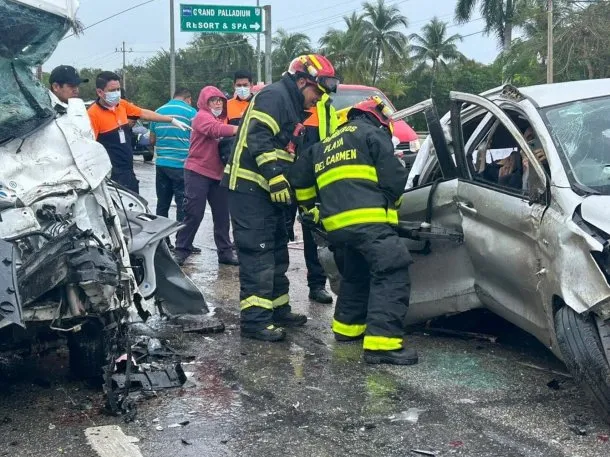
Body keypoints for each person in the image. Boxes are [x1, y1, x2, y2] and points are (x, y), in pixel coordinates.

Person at [288, 96, 418, 366]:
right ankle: (383, 345)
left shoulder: (325, 143)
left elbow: (299, 176)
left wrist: (311, 211)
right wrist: (391, 206)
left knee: (356, 273)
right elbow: (394, 177)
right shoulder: (372, 134)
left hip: (336, 227)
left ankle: (347, 329)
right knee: (391, 270)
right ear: (378, 118)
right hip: (368, 221)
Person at [222, 54, 339, 342]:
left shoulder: (292, 103)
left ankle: (277, 309)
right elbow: (258, 137)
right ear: (302, 81)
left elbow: (288, 153)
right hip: (250, 188)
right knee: (258, 253)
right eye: (316, 91)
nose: (318, 100)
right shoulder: (275, 96)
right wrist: (275, 177)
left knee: (276, 251)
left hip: (267, 192)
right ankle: (255, 321)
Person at [87, 71, 191, 193]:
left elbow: (143, 113)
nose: (116, 93)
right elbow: (89, 148)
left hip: (127, 170)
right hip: (110, 174)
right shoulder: (92, 114)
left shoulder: (121, 105)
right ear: (100, 92)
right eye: (112, 90)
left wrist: (171, 120)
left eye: (118, 89)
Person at [174, 86, 239, 267]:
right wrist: (240, 129)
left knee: (222, 216)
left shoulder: (219, 118)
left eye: (220, 100)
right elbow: (215, 130)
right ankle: (181, 249)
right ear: (204, 102)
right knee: (194, 213)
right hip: (197, 171)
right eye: (213, 100)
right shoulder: (202, 117)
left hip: (218, 174)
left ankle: (225, 252)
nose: (217, 103)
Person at [285, 92, 339, 304]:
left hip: (313, 182)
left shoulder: (327, 110)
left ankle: (317, 285)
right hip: (284, 179)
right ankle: (274, 290)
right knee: (279, 232)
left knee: (314, 234)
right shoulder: (286, 105)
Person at [149, 88, 196, 228]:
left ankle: (162, 241)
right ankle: (181, 241)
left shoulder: (158, 112)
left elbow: (152, 140)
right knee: (183, 204)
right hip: (181, 165)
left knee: (162, 204)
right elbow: (197, 139)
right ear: (188, 99)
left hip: (162, 165)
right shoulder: (191, 112)